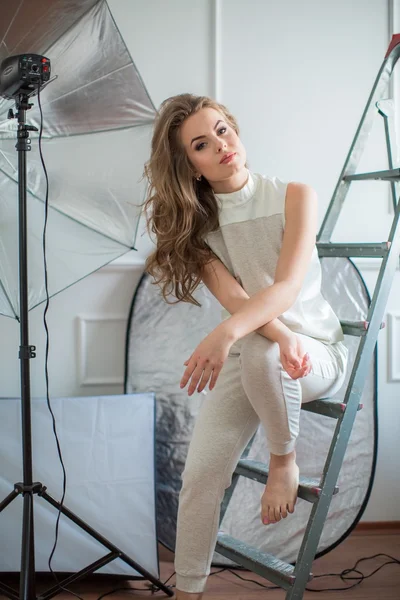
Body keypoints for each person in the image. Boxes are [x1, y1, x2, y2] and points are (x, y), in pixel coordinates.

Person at [141, 93, 349, 599]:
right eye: (202, 144)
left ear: (235, 128)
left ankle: (284, 459)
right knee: (200, 475)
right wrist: (263, 332)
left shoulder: (295, 195)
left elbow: (286, 289)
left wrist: (231, 333)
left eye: (223, 131)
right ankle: (188, 591)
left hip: (316, 352)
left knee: (259, 350)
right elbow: (236, 300)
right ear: (189, 166)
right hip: (261, 350)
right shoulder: (198, 227)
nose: (221, 146)